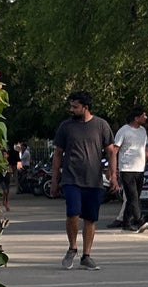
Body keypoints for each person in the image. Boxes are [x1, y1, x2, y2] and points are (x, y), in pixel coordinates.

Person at [50, 91, 116, 269]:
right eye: (70, 106)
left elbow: (111, 151)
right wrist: (54, 180)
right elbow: (57, 154)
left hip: (94, 180)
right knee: (73, 213)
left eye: (75, 106)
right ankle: (72, 248)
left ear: (85, 108)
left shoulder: (101, 125)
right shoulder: (66, 127)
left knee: (90, 218)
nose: (71, 109)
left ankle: (86, 255)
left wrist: (114, 176)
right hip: (71, 178)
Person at [108, 109, 148, 232]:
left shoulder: (143, 131)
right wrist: (112, 170)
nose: (146, 117)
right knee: (133, 197)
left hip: (140, 168)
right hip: (127, 169)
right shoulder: (124, 131)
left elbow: (145, 149)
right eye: (144, 115)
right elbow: (114, 151)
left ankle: (126, 222)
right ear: (136, 118)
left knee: (134, 196)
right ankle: (140, 220)